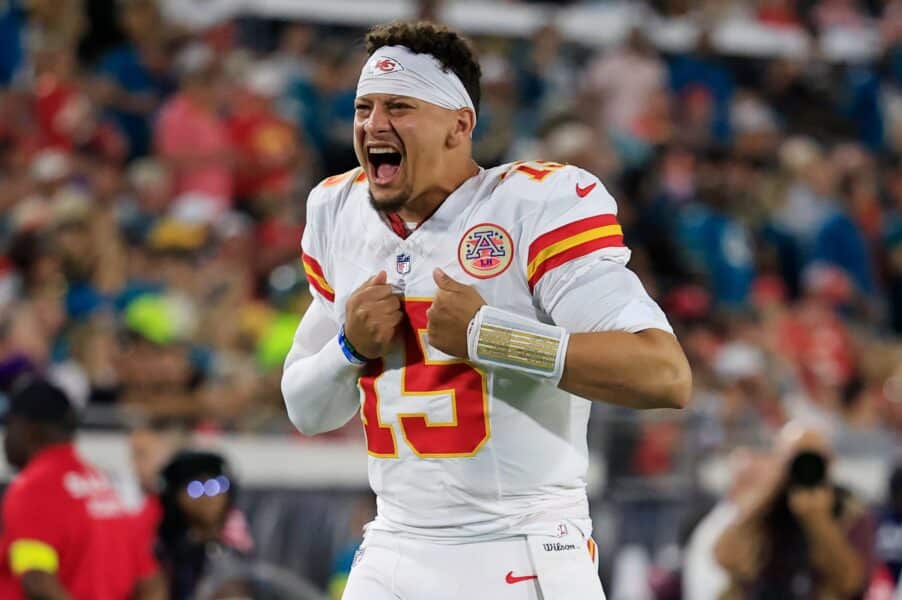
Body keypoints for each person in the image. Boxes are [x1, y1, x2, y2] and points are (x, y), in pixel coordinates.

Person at [281, 20, 692, 600]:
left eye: (398, 106)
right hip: (393, 546)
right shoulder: (338, 211)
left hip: (519, 547)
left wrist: (490, 336)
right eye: (364, 107)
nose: (374, 124)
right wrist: (347, 349)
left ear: (460, 124)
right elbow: (305, 408)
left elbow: (664, 374)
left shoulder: (533, 206)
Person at [0, 377, 165, 599]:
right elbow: (151, 581)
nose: (7, 437)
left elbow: (36, 579)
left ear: (28, 429)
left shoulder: (34, 486)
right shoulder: (102, 484)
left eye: (9, 425)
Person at [713, 422, 875, 599]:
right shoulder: (766, 508)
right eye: (795, 460)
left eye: (813, 459)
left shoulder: (849, 511)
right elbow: (724, 557)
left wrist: (819, 522)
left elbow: (850, 583)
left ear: (829, 462)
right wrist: (770, 490)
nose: (804, 468)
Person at [156, 450, 253, 600]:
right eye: (196, 488)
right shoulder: (161, 549)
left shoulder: (244, 542)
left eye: (217, 485)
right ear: (174, 496)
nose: (209, 497)